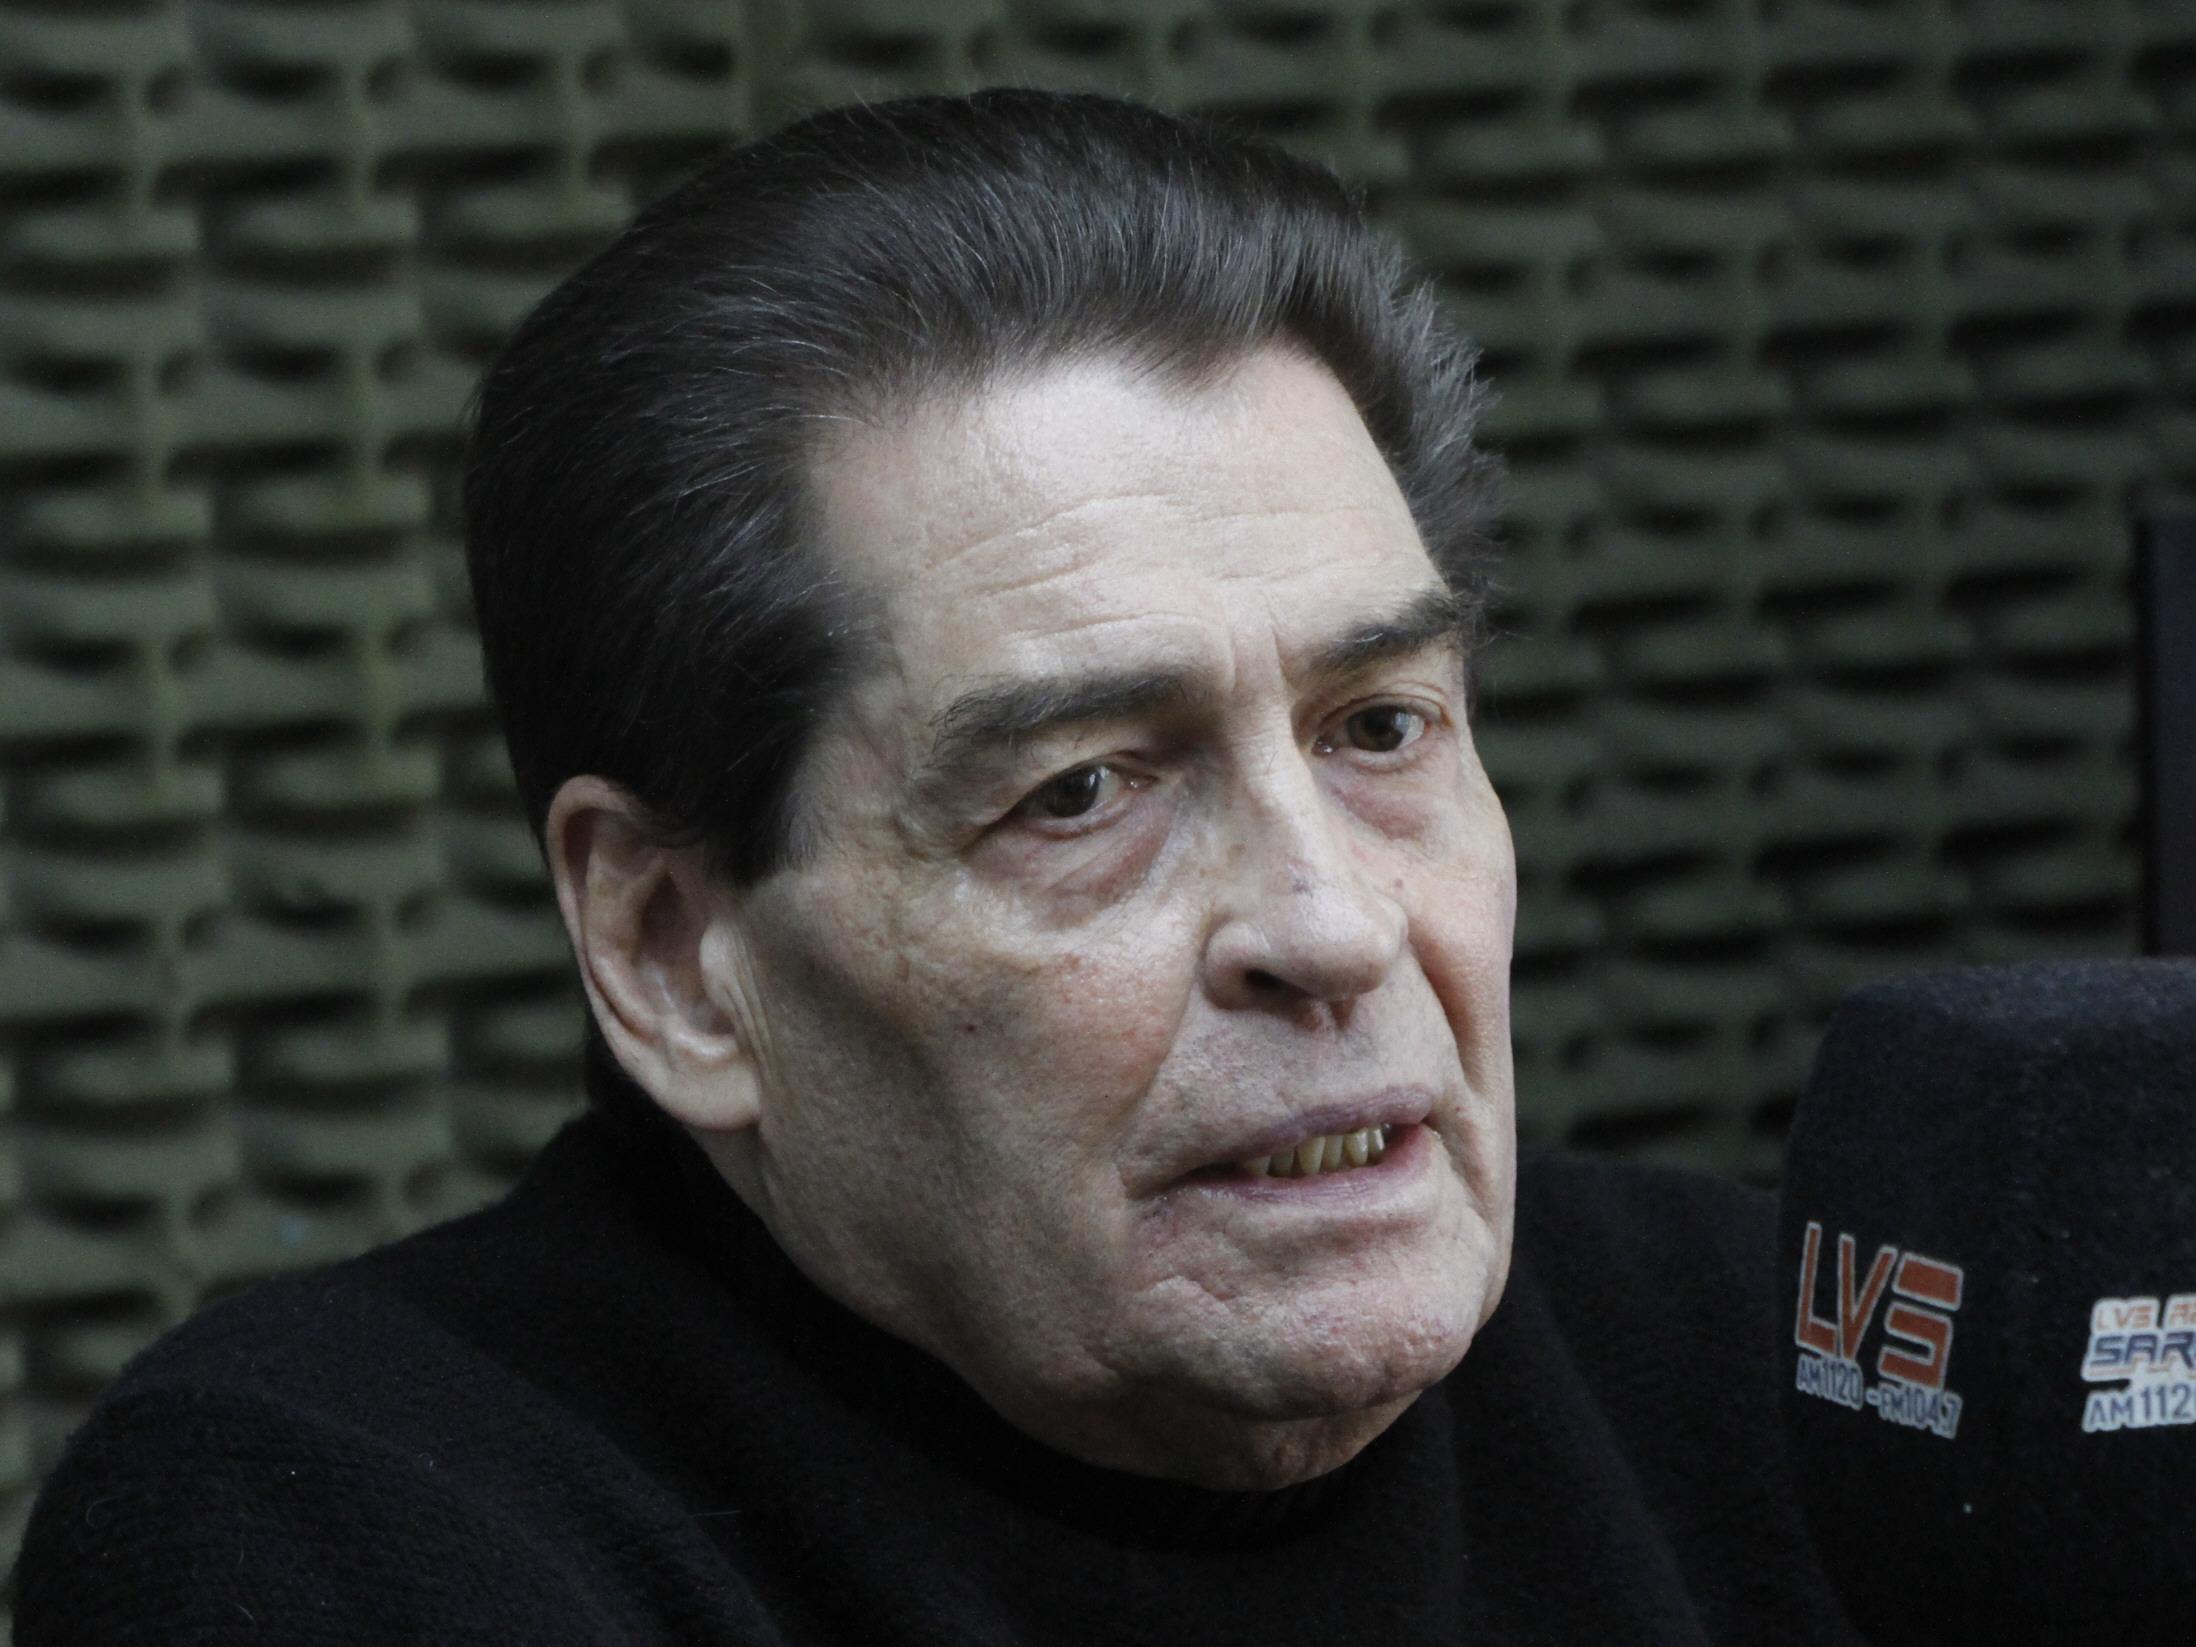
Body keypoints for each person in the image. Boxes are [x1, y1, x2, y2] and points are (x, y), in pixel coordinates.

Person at [12, 89, 1861, 1643]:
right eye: (1081, 792)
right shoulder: (347, 1523)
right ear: (673, 955)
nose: (1333, 923)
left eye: (1380, 728)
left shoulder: (1795, 1365)